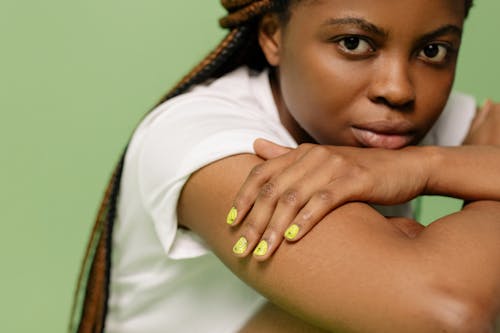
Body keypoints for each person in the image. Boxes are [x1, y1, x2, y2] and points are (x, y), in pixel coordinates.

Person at [70, 0, 500, 332]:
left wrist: (426, 166)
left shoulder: (407, 121)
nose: (398, 89)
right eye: (353, 43)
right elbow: (449, 313)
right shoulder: (202, 140)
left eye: (433, 49)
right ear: (274, 36)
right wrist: (479, 180)